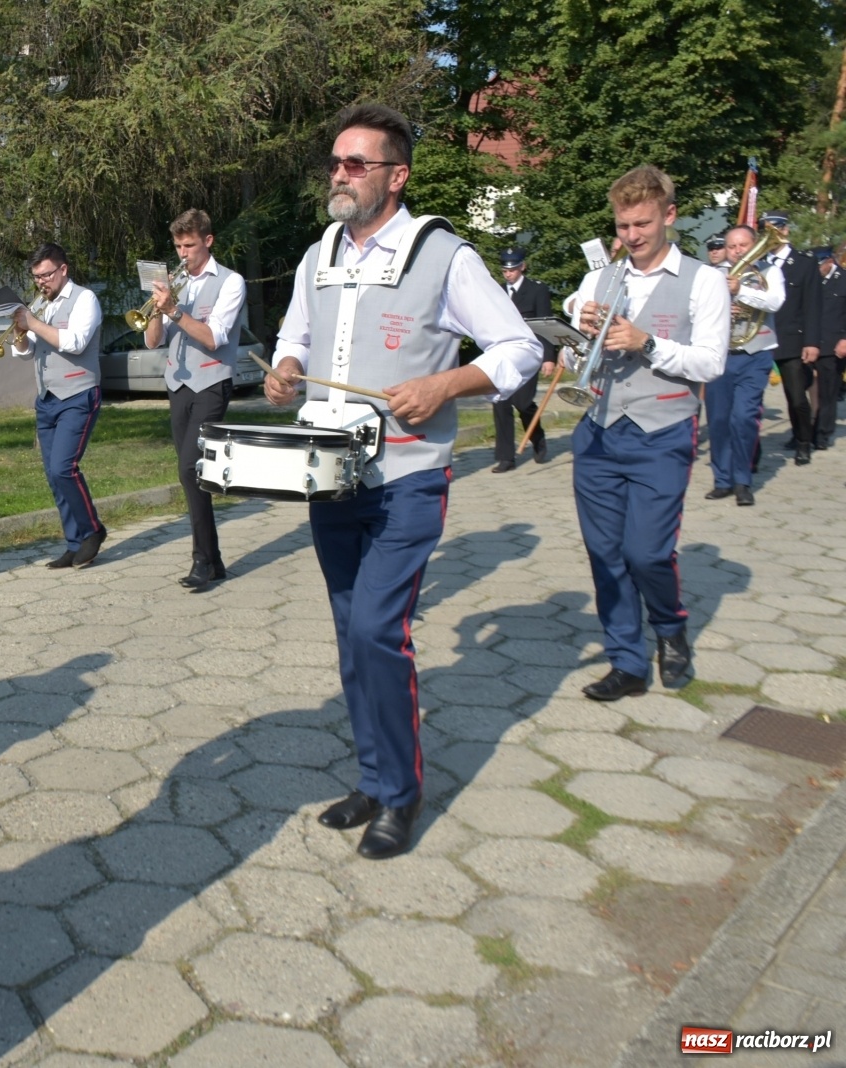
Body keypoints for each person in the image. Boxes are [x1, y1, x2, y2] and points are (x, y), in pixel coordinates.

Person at [265, 103, 542, 859]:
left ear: (398, 175)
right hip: (329, 474)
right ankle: (374, 773)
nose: (341, 173)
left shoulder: (444, 254)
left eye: (358, 163)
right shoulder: (319, 250)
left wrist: (448, 385)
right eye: (336, 160)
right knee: (351, 635)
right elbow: (295, 332)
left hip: (408, 479)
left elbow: (518, 348)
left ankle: (403, 791)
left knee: (377, 631)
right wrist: (288, 368)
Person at [568, 166, 729, 701]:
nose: (631, 236)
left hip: (662, 430)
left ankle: (670, 624)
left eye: (641, 224)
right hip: (599, 428)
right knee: (604, 553)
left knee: (647, 553)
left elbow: (710, 363)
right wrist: (579, 325)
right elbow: (574, 334)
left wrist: (647, 342)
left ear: (669, 216)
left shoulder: (703, 281)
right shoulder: (603, 276)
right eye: (622, 225)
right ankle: (627, 662)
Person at [143, 208, 246, 590]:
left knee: (191, 469)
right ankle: (213, 559)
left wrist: (174, 309)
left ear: (208, 240)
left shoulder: (231, 282)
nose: (183, 253)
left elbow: (214, 337)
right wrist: (156, 310)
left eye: (189, 245)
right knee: (191, 474)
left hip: (212, 382)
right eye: (177, 246)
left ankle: (202, 560)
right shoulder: (177, 283)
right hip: (179, 384)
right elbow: (152, 341)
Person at [11, 242, 106, 568]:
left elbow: (76, 342)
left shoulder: (85, 299)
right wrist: (21, 334)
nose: (41, 282)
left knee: (64, 468)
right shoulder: (41, 305)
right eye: (37, 277)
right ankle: (74, 541)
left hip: (79, 394)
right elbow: (24, 353)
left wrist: (33, 323)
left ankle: (93, 530)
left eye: (47, 275)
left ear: (63, 270)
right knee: (53, 475)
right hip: (48, 398)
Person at [705, 225, 784, 506]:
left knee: (744, 417)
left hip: (756, 353)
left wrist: (742, 293)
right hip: (721, 355)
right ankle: (722, 480)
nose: (738, 251)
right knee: (718, 419)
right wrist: (724, 305)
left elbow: (775, 301)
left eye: (743, 245)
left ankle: (743, 481)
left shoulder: (769, 271)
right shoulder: (713, 274)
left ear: (754, 245)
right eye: (732, 246)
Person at [755, 212, 822, 462]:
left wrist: (812, 342)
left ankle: (803, 440)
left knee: (796, 398)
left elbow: (813, 306)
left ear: (785, 230)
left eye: (774, 229)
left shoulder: (805, 262)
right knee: (753, 399)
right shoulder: (758, 262)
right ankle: (754, 451)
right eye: (765, 230)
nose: (769, 234)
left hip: (792, 340)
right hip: (761, 338)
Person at [490, 246, 554, 471]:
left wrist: (548, 357)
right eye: (505, 270)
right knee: (500, 402)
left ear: (522, 267)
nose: (508, 274)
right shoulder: (496, 291)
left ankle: (537, 436)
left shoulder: (537, 290)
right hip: (502, 354)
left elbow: (544, 324)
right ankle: (506, 457)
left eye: (513, 269)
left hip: (529, 354)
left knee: (523, 402)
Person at [812, 246, 845, 449]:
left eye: (819, 266)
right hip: (809, 343)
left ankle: (822, 433)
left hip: (834, 345)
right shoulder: (812, 280)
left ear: (830, 262)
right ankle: (802, 433)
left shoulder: (844, 279)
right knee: (802, 393)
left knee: (828, 392)